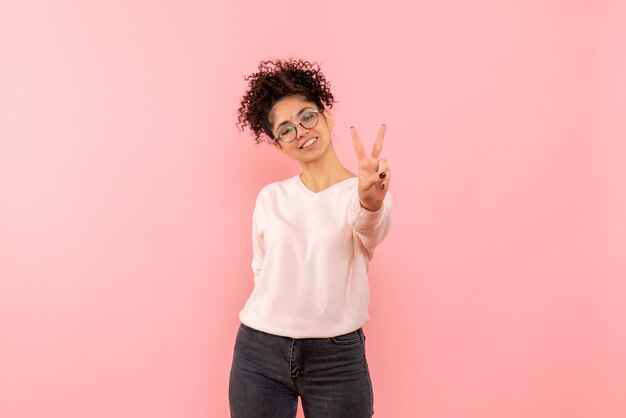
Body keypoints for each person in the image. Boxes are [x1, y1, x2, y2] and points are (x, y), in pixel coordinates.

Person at [228, 58, 393, 418]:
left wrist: (370, 197)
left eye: (307, 116)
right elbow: (261, 270)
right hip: (258, 351)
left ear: (327, 116)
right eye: (285, 129)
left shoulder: (362, 192)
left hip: (336, 358)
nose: (300, 130)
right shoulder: (270, 198)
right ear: (279, 145)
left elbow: (370, 227)